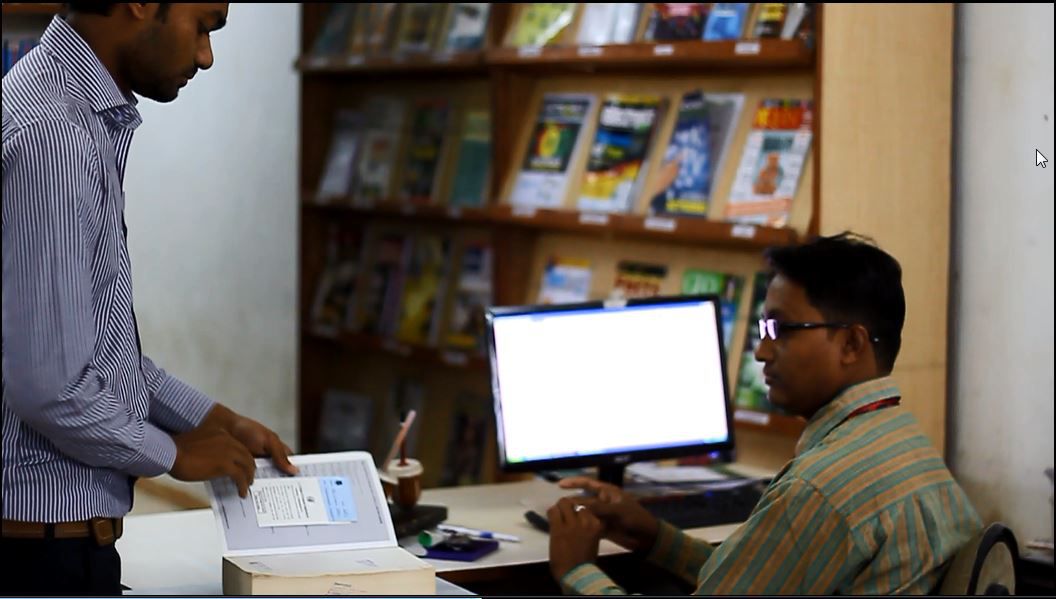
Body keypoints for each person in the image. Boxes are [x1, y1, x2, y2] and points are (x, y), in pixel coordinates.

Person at [2, 3, 297, 595]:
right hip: (37, 558)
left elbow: (95, 355)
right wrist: (172, 454)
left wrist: (218, 421)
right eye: (204, 25)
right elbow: (51, 387)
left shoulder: (77, 118)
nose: (206, 56)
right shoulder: (53, 136)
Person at [547, 232, 982, 594]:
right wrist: (654, 537)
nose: (761, 351)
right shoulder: (908, 447)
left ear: (851, 344)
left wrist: (577, 570)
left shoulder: (818, 490)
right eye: (763, 329)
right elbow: (757, 577)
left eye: (782, 329)